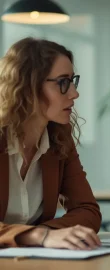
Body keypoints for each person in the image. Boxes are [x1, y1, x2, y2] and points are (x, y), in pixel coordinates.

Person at [0, 37, 102, 249]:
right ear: (27, 85)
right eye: (63, 82)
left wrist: (45, 234)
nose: (74, 93)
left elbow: (88, 210)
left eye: (73, 81)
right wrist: (37, 236)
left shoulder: (59, 140)